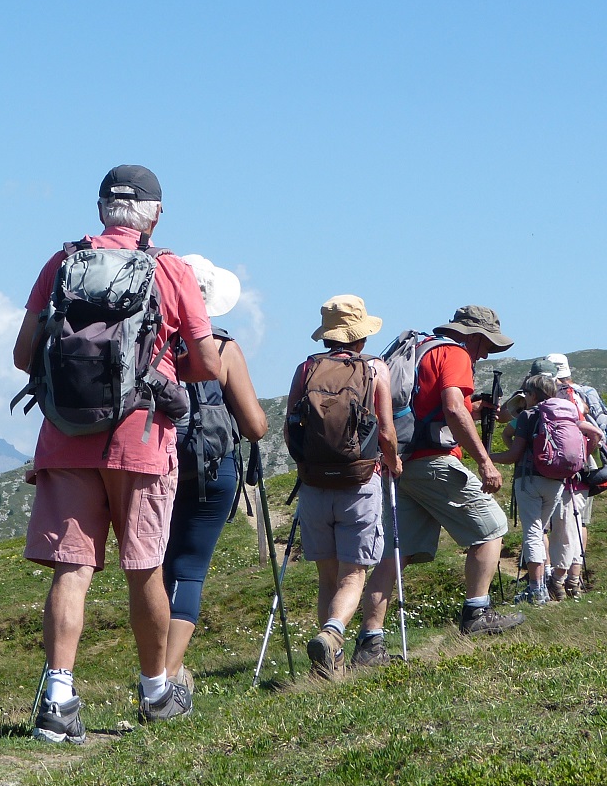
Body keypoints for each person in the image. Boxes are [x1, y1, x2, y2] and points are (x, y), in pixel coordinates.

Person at [12, 165, 221, 744]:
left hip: (65, 436)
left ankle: (57, 698)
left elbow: (23, 353)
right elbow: (203, 364)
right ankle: (157, 690)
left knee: (71, 570)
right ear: (154, 213)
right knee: (144, 567)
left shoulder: (61, 264)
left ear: (103, 209)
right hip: (142, 435)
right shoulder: (168, 269)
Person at [358, 305, 524, 654]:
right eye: (487, 345)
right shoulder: (455, 353)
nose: (486, 353)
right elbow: (451, 407)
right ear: (475, 336)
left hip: (401, 463)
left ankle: (370, 642)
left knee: (392, 556)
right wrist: (484, 462)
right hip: (434, 462)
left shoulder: (421, 350)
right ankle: (477, 612)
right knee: (491, 528)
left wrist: (472, 410)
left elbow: (431, 407)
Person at [160, 256, 269, 693]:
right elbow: (255, 426)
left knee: (158, 569)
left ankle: (160, 669)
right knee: (189, 570)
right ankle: (167, 677)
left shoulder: (153, 345)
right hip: (211, 468)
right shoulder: (223, 348)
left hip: (154, 464)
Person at [282, 295, 401, 677]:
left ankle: (328, 669)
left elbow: (289, 426)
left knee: (327, 578)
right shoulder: (375, 369)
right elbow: (385, 430)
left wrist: (304, 465)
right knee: (354, 574)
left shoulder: (306, 369)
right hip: (360, 480)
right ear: (361, 336)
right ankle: (333, 634)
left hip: (315, 485)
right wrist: (394, 461)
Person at [492, 374, 604, 604]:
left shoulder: (528, 415)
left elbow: (514, 454)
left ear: (532, 395)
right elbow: (596, 433)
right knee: (542, 529)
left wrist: (486, 457)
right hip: (557, 480)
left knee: (533, 532)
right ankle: (546, 584)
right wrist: (583, 457)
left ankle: (537, 590)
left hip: (529, 480)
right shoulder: (567, 412)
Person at [539, 352, 607, 596]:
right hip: (587, 463)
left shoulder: (553, 397)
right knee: (580, 521)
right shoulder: (587, 393)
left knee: (557, 524)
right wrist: (587, 452)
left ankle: (555, 577)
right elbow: (598, 430)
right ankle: (575, 577)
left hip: (560, 466)